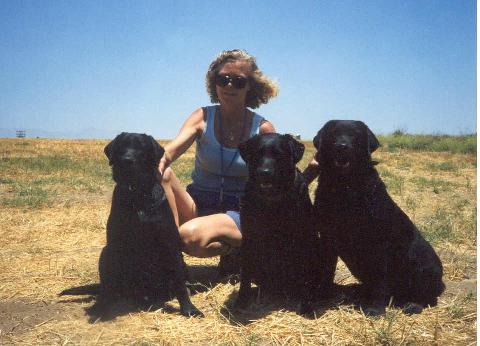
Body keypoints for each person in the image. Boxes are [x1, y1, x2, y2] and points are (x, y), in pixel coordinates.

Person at [158, 49, 278, 276]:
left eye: (238, 81)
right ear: (214, 83)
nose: (229, 86)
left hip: (239, 209)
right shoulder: (202, 116)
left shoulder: (263, 129)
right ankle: (171, 256)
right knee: (162, 172)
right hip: (199, 202)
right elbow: (170, 152)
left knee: (191, 239)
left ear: (250, 86)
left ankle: (239, 250)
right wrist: (157, 161)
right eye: (223, 79)